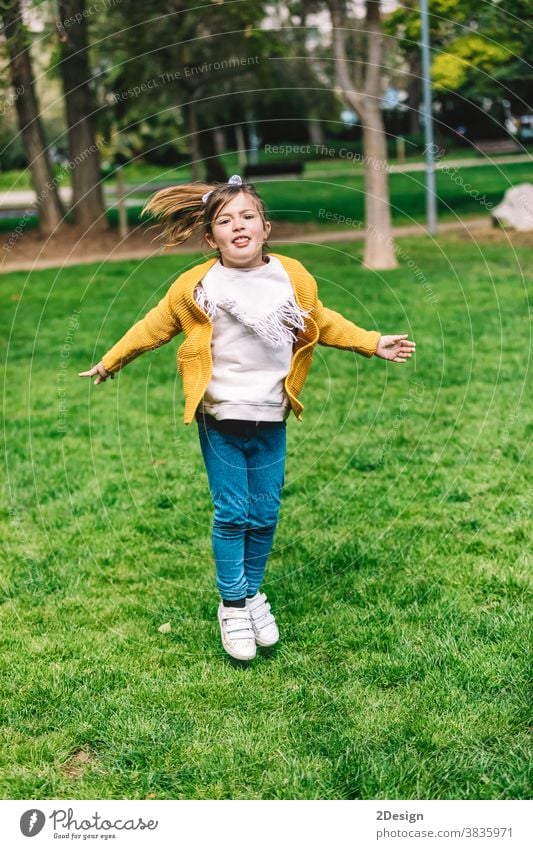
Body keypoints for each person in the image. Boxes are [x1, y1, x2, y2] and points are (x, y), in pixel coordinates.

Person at [79, 175, 416, 662]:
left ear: (265, 227)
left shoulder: (292, 277)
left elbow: (320, 320)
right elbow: (154, 325)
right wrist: (112, 360)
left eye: (247, 216)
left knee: (265, 514)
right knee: (233, 513)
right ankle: (233, 605)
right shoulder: (198, 286)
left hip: (271, 415)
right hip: (220, 417)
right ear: (210, 239)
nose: (237, 225)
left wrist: (372, 341)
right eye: (224, 220)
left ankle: (252, 592)